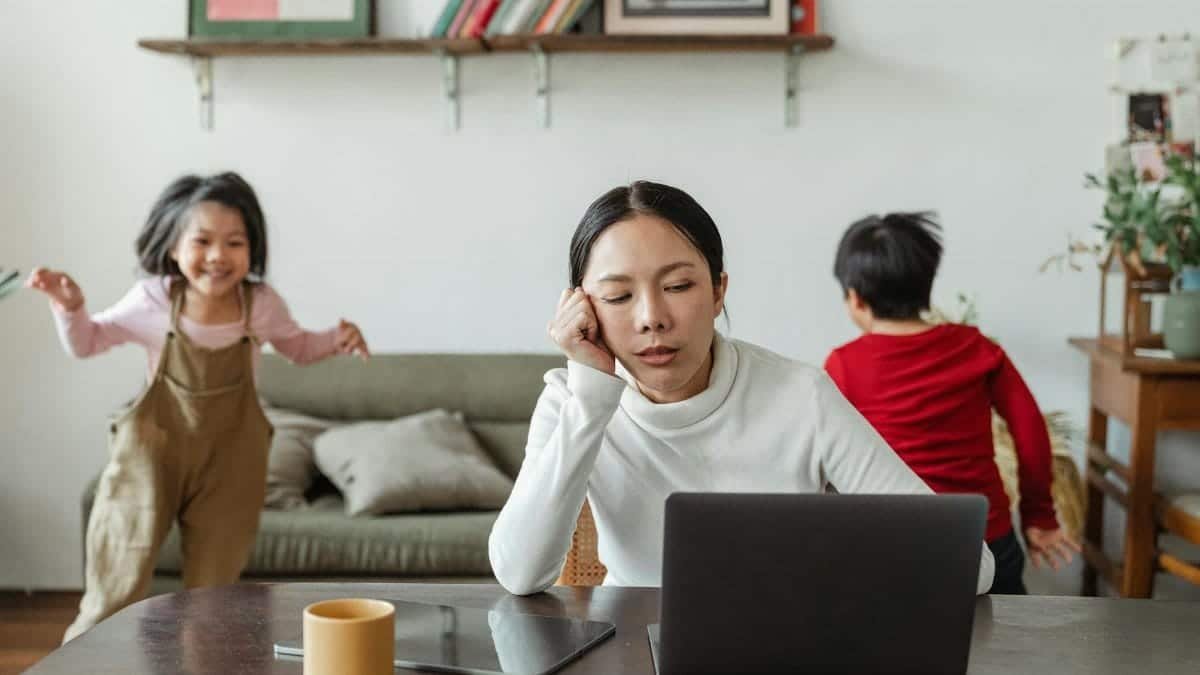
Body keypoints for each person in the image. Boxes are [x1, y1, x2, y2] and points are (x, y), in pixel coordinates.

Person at [488, 181, 995, 596]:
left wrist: (829, 576)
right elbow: (519, 573)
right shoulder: (571, 401)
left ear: (718, 291)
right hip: (631, 647)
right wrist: (591, 395)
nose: (652, 319)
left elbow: (970, 566)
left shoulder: (802, 396)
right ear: (583, 308)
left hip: (786, 645)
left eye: (679, 287)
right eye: (618, 295)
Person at [27, 172, 370, 641]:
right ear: (172, 247)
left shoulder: (261, 305)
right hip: (151, 456)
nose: (217, 256)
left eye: (234, 242)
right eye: (202, 240)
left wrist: (337, 339)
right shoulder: (152, 300)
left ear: (252, 250)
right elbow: (88, 342)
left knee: (213, 602)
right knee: (114, 586)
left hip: (229, 463)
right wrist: (69, 308)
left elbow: (298, 347)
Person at [823, 212, 1078, 595]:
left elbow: (828, 457)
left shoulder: (843, 365)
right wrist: (1038, 514)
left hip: (896, 547)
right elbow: (1030, 433)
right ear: (927, 285)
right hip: (987, 541)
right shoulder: (978, 349)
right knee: (1005, 649)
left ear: (855, 299)